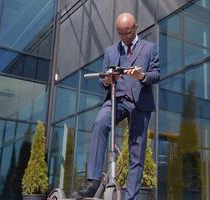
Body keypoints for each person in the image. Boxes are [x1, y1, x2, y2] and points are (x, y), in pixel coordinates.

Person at [72, 12, 160, 200]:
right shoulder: (110, 51)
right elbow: (102, 81)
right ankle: (93, 182)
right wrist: (107, 79)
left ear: (135, 28)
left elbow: (156, 74)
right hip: (116, 100)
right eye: (120, 34)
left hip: (139, 105)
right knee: (100, 123)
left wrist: (142, 76)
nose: (124, 38)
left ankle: (131, 197)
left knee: (136, 154)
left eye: (127, 33)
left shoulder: (149, 48)